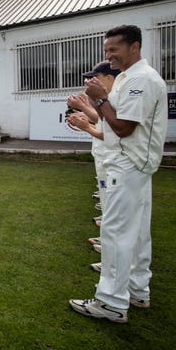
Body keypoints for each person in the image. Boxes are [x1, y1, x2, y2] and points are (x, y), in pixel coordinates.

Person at [70, 25, 167, 323]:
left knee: (114, 234)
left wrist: (99, 99)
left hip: (128, 164)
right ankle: (138, 290)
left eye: (114, 49)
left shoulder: (141, 78)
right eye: (106, 50)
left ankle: (111, 302)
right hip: (134, 165)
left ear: (134, 47)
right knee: (136, 233)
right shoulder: (129, 77)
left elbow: (124, 127)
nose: (109, 55)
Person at [67, 61, 121, 271]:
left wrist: (85, 121)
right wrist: (85, 119)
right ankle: (108, 247)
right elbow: (100, 122)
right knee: (108, 205)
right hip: (106, 158)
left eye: (96, 77)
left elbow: (109, 131)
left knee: (114, 211)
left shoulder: (114, 97)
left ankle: (112, 256)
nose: (91, 82)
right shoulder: (109, 98)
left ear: (109, 77)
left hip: (115, 161)